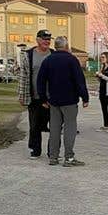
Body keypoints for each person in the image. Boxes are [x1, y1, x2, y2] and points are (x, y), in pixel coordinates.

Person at [36, 36, 89, 166]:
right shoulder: (72, 60)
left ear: (55, 46)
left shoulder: (48, 60)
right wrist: (85, 97)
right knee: (70, 128)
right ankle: (69, 158)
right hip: (70, 100)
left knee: (54, 129)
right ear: (66, 46)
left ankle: (53, 157)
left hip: (54, 101)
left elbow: (40, 81)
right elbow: (79, 80)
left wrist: (43, 98)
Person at [17, 29, 54, 158]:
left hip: (51, 98)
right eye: (44, 39)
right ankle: (35, 149)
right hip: (34, 97)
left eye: (49, 39)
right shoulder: (29, 55)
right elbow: (23, 76)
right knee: (34, 126)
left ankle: (52, 151)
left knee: (54, 126)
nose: (47, 41)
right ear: (38, 40)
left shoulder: (53, 54)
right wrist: (22, 95)